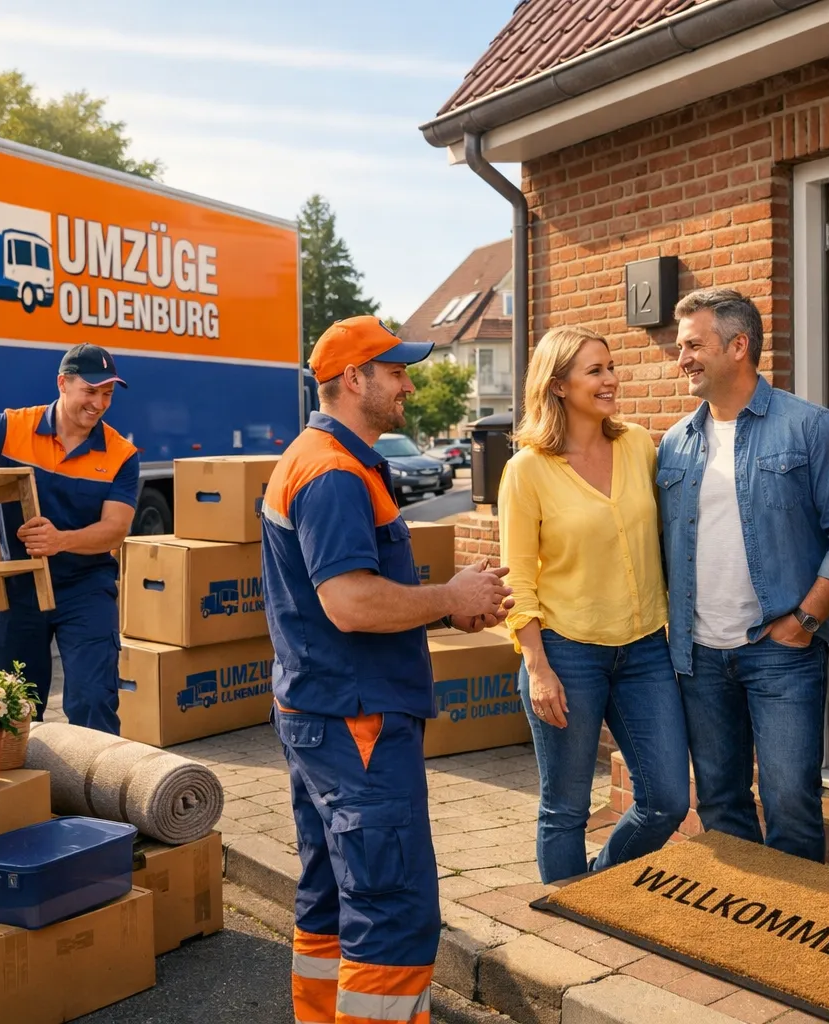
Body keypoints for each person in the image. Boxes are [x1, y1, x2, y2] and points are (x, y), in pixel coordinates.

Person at [260, 315, 513, 1024]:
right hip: (356, 722)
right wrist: (448, 595)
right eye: (396, 371)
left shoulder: (325, 458)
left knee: (332, 899)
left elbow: (352, 597)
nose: (408, 384)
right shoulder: (334, 473)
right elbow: (348, 602)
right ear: (353, 379)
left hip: (323, 712)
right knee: (393, 910)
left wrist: (441, 609)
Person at [657, 288, 829, 862]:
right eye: (680, 348)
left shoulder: (809, 428)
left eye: (693, 345)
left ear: (739, 345)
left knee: (791, 801)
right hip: (697, 656)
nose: (682, 360)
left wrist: (806, 619)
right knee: (722, 803)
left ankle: (796, 932)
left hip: (782, 650)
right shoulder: (675, 444)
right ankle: (746, 932)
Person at [499, 324, 690, 885]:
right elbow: (518, 580)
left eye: (610, 367)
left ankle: (599, 886)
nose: (610, 380)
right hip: (565, 652)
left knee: (667, 800)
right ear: (558, 385)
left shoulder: (637, 445)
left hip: (644, 649)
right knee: (566, 808)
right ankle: (565, 924)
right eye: (595, 371)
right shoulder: (527, 469)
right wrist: (537, 667)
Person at [0, 343, 138, 734]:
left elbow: (115, 529)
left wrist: (60, 541)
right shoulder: (13, 427)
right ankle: (25, 792)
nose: (99, 403)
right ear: (62, 384)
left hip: (85, 588)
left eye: (107, 394)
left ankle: (92, 792)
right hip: (17, 588)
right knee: (11, 705)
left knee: (93, 698)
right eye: (90, 391)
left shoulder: (121, 454)